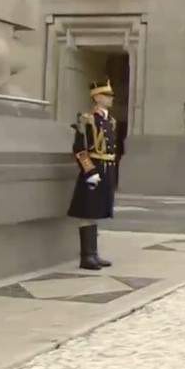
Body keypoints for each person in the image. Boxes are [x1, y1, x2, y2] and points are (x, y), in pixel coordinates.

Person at [68, 80, 119, 270]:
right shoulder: (87, 120)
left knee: (96, 212)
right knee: (87, 212)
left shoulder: (110, 121)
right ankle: (86, 256)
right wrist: (89, 171)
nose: (111, 99)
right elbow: (80, 149)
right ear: (97, 97)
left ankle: (94, 254)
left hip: (107, 170)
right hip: (93, 171)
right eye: (107, 96)